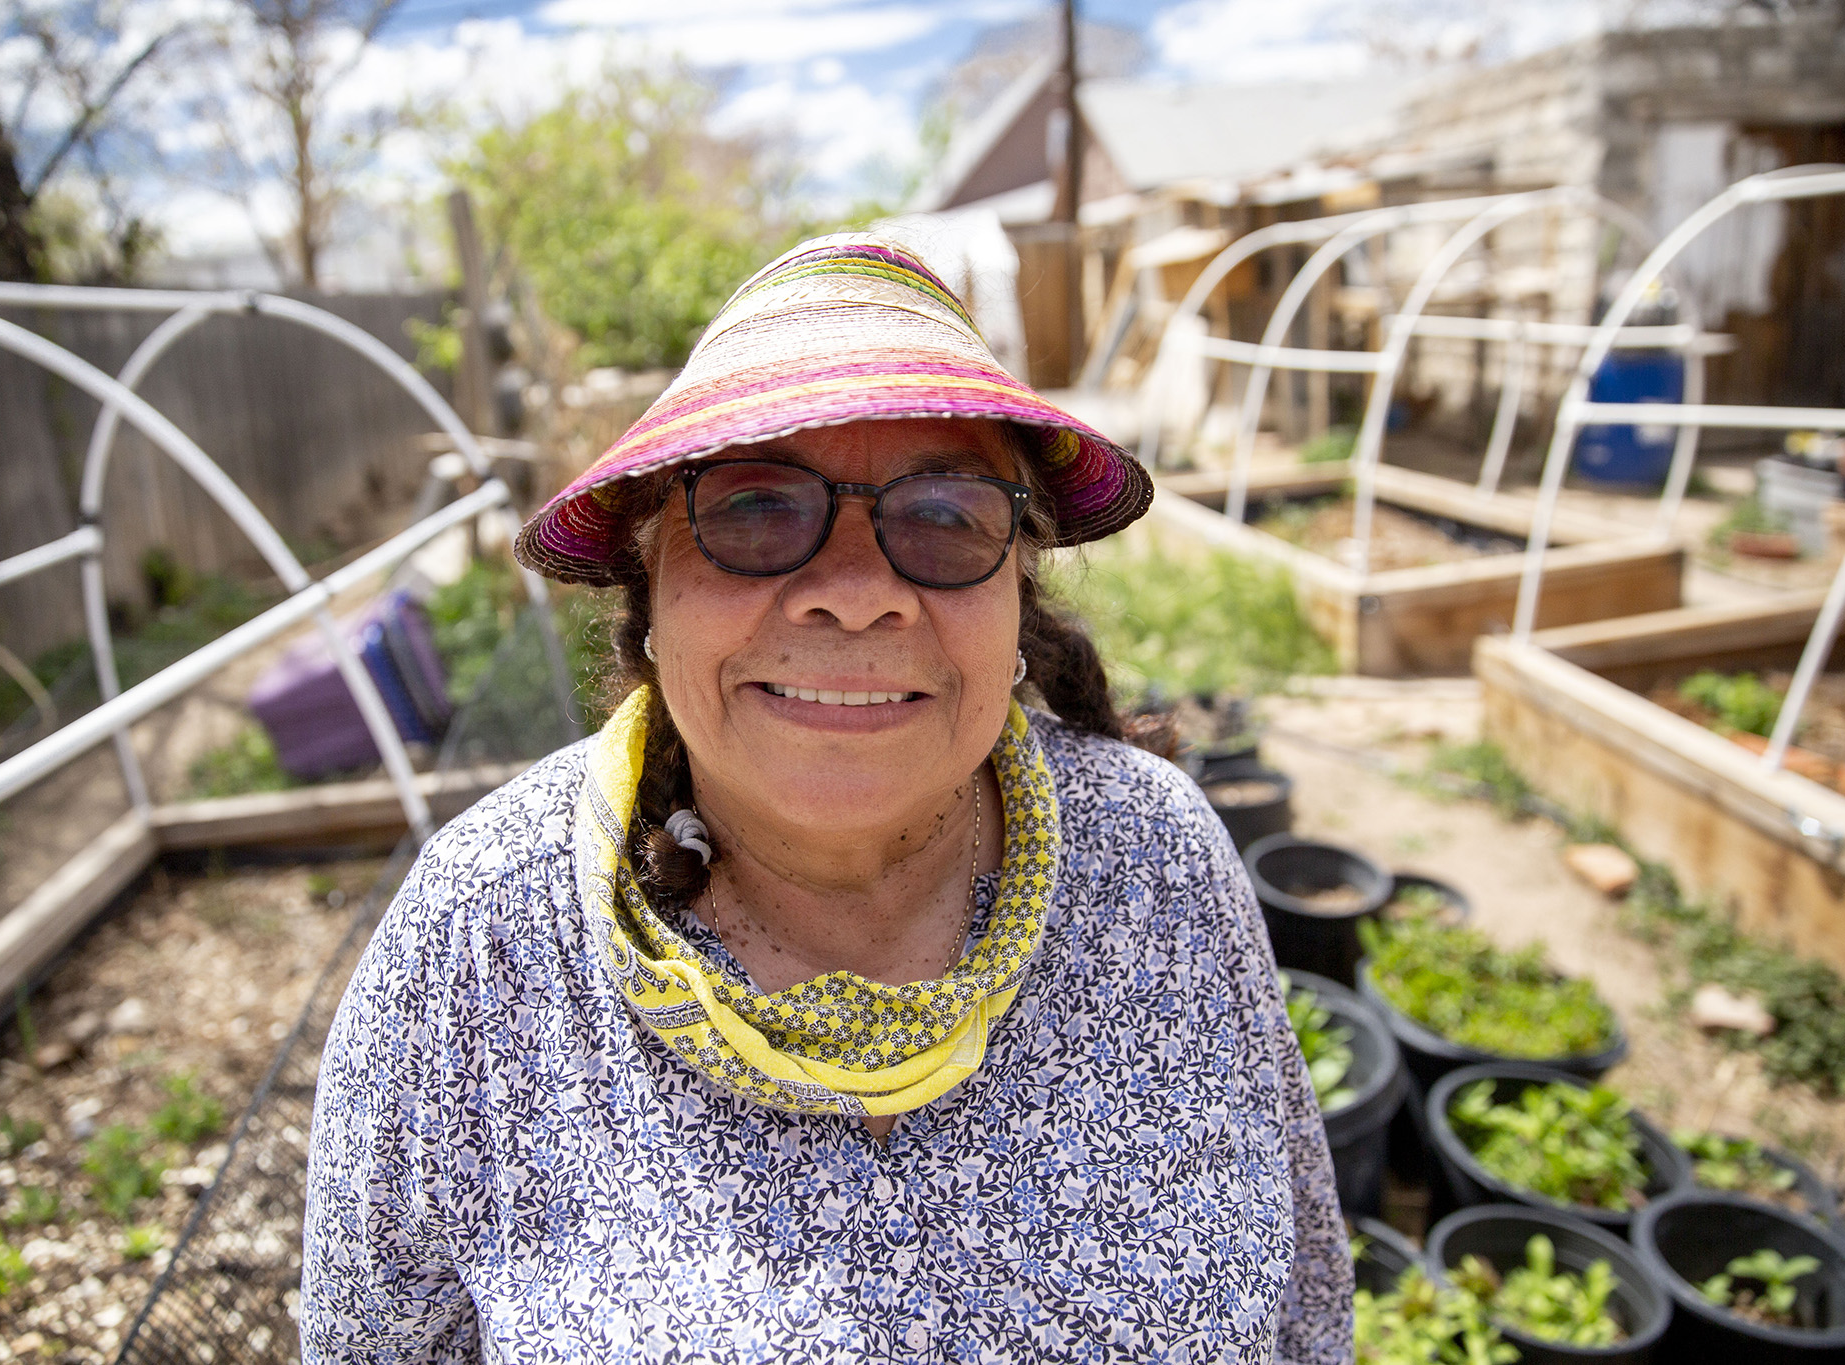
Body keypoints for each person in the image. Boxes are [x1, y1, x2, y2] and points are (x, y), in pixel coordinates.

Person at [302, 234, 1352, 1362]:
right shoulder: (479, 935)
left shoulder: (1156, 855)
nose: (854, 597)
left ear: (1017, 592)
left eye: (944, 514)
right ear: (650, 591)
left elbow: (1306, 1315)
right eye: (754, 508)